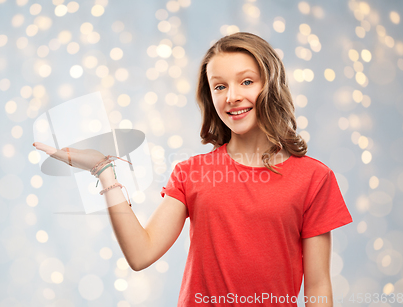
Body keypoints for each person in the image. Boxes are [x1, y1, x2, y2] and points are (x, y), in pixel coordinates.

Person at [33, 32, 353, 306]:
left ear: (270, 84)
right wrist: (104, 169)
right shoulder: (192, 172)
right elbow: (140, 253)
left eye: (246, 81)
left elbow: (317, 288)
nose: (233, 96)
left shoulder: (314, 178)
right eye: (219, 86)